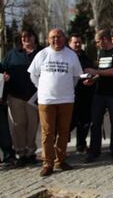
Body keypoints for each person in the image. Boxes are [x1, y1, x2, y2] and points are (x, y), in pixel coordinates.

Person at [28, 28, 83, 176]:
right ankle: (48, 163)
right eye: (52, 37)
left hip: (66, 99)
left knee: (64, 131)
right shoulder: (42, 54)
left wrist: (66, 89)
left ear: (64, 38)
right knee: (47, 132)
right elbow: (33, 75)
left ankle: (61, 160)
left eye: (59, 37)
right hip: (46, 100)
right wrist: (42, 87)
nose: (55, 39)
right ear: (48, 39)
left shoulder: (71, 55)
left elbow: (75, 77)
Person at [3, 29, 42, 166]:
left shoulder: (42, 53)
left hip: (35, 96)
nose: (25, 39)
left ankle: (30, 152)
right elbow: (3, 70)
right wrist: (4, 77)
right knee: (18, 125)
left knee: (32, 125)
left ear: (34, 38)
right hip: (15, 96)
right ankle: (20, 153)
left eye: (28, 36)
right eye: (23, 37)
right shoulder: (12, 54)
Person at [85, 29, 113, 163]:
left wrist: (96, 71)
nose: (97, 45)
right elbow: (101, 71)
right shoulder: (100, 52)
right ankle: (94, 151)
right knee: (95, 123)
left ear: (104, 39)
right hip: (99, 93)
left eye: (97, 42)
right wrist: (93, 78)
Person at [68, 34, 95, 153]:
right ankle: (60, 146)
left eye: (79, 42)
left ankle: (81, 145)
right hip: (70, 94)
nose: (78, 44)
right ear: (69, 43)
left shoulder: (85, 56)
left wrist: (92, 79)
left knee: (84, 122)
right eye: (75, 42)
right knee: (70, 122)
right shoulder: (66, 56)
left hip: (85, 94)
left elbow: (93, 71)